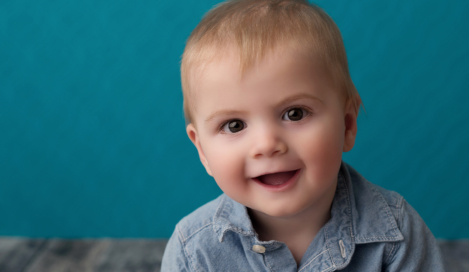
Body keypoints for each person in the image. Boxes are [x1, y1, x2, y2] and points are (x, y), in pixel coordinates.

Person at [161, 0, 444, 271]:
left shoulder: (396, 235)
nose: (267, 145)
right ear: (202, 151)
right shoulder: (193, 250)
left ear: (347, 125)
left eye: (295, 114)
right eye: (234, 125)